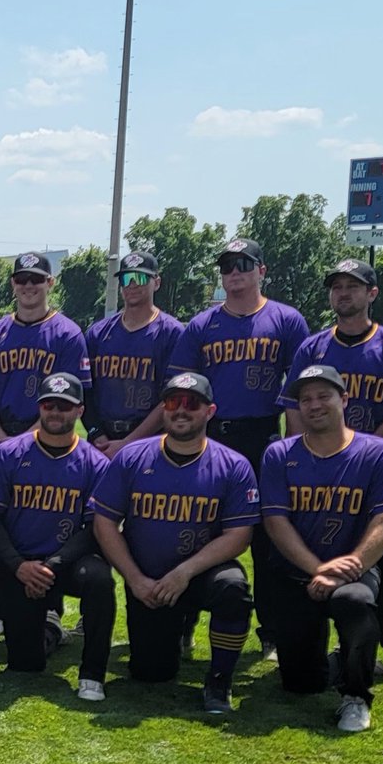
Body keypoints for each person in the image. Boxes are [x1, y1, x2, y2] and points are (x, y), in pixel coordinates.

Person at [167, 237, 309, 659]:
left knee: (268, 535)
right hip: (211, 438)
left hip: (264, 437)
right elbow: (180, 387)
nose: (235, 272)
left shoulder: (286, 319)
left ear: (261, 270)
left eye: (244, 264)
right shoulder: (203, 324)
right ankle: (185, 620)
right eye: (228, 266)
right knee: (200, 527)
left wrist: (294, 446)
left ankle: (270, 629)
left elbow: (299, 389)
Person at [277, 258, 383, 685]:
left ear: (371, 293)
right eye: (337, 287)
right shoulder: (313, 347)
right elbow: (294, 412)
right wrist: (307, 455)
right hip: (314, 464)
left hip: (371, 467)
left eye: (352, 287)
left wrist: (364, 459)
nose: (343, 294)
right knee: (306, 545)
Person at [92, 373, 260, 714]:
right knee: (151, 673)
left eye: (191, 403)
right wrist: (135, 579)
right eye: (172, 402)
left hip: (200, 572)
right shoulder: (133, 457)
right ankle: (180, 625)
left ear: (209, 411)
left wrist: (185, 572)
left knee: (233, 589)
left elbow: (239, 535)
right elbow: (104, 522)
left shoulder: (233, 464)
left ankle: (219, 679)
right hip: (150, 579)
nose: (181, 410)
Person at [260, 364, 383, 733]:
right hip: (300, 572)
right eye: (305, 399)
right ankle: (341, 658)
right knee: (300, 683)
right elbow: (276, 523)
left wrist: (353, 564)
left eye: (323, 395)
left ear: (344, 399)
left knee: (354, 602)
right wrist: (319, 569)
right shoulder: (279, 455)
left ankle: (356, 695)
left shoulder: (378, 453)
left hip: (354, 571)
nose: (314, 405)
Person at [0, 373, 115, 700]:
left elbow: (95, 527)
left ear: (80, 410)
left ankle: (92, 673)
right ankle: (50, 627)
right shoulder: (10, 453)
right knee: (25, 664)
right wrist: (17, 564)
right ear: (40, 407)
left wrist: (53, 564)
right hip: (20, 564)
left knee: (99, 579)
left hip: (68, 563)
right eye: (50, 404)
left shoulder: (94, 463)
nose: (56, 412)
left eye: (64, 406)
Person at [0, 251, 92, 440]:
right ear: (13, 284)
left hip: (49, 437)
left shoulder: (68, 334)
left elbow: (71, 398)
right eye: (21, 279)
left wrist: (23, 440)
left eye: (36, 279)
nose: (28, 285)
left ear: (50, 282)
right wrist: (0, 438)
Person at [84, 251, 182, 458]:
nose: (133, 284)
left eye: (141, 277)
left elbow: (172, 398)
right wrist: (96, 433)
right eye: (127, 278)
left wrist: (129, 442)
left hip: (152, 442)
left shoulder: (172, 333)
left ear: (156, 282)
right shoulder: (98, 333)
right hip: (102, 442)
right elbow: (85, 391)